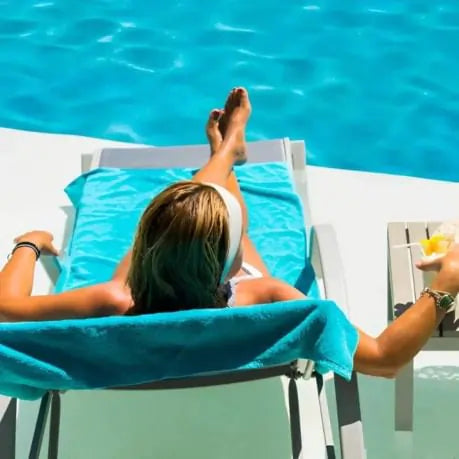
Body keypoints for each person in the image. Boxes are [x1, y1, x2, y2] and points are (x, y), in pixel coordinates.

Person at [0, 87, 458, 379]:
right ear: (230, 260)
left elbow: (5, 309)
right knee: (209, 210)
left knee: (186, 215)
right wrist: (445, 285)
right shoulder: (266, 298)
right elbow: (383, 357)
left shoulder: (116, 299)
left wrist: (29, 244)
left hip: (154, 305)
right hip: (229, 319)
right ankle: (227, 154)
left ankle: (223, 154)